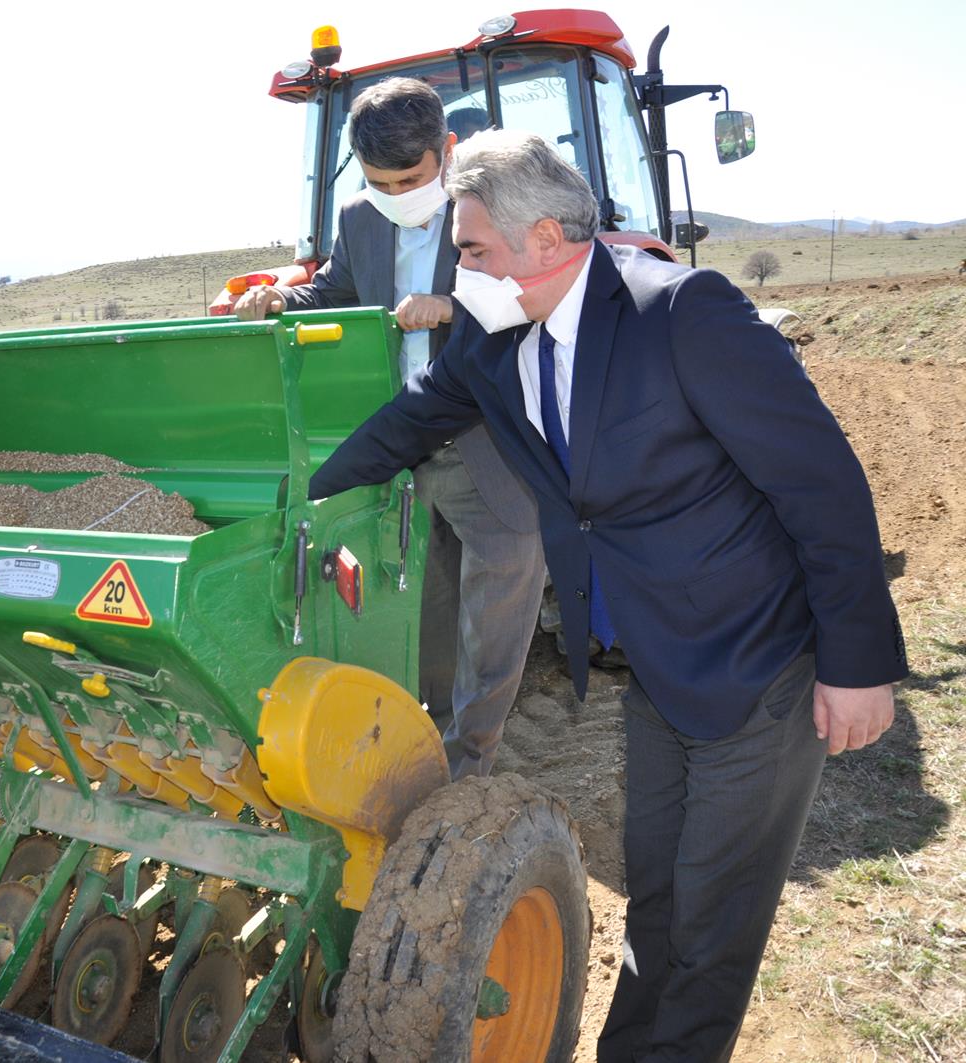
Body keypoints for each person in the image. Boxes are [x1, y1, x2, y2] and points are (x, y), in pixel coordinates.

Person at [309, 129, 906, 1062]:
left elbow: (820, 481)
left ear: (546, 239)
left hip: (757, 660)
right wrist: (291, 499)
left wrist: (859, 664)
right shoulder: (493, 340)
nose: (460, 272)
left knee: (712, 926)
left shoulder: (681, 313)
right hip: (652, 666)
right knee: (657, 898)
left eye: (473, 250)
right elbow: (407, 423)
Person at [233, 78, 545, 779]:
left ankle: (470, 764)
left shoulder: (501, 206)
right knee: (419, 601)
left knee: (498, 600)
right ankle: (419, 737)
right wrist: (280, 297)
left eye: (410, 179)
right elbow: (335, 291)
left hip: (485, 437)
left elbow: (541, 297)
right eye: (379, 182)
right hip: (400, 442)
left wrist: (454, 307)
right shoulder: (360, 218)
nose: (396, 194)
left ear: (448, 151)